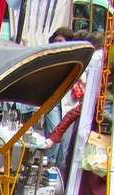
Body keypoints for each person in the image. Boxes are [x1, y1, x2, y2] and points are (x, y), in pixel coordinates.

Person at [44, 27, 74, 166]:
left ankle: (60, 171)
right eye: (55, 41)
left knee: (65, 141)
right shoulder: (51, 56)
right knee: (54, 132)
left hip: (69, 102)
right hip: (54, 99)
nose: (57, 43)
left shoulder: (75, 57)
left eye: (60, 41)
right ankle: (47, 164)